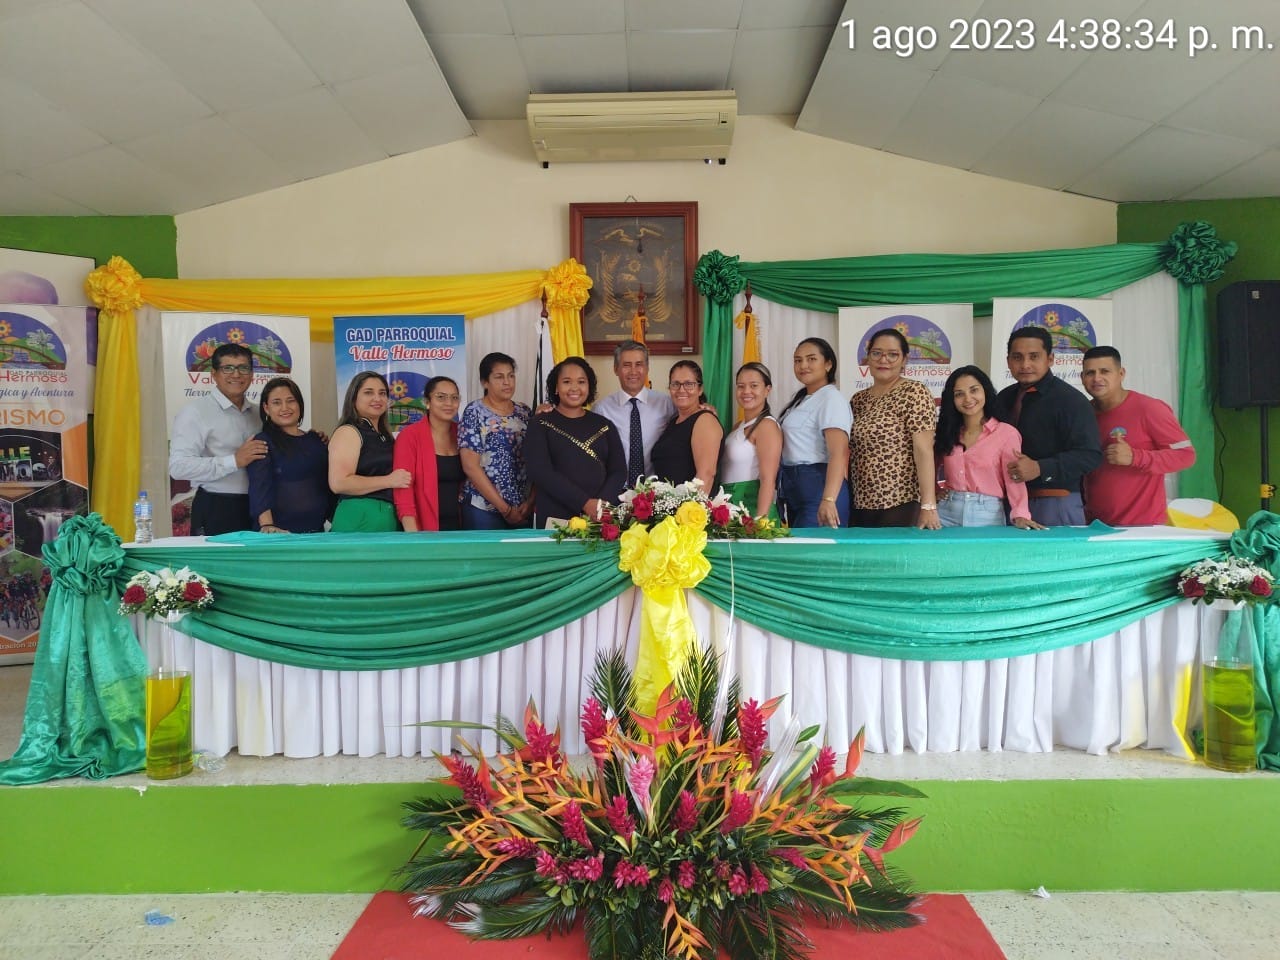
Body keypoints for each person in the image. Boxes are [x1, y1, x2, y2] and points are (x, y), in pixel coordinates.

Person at [992, 326, 1102, 526]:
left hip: (1055, 501)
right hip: (1007, 503)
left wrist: (1040, 468)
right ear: (1008, 361)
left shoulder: (1070, 400)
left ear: (1050, 359)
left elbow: (1090, 455)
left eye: (1034, 357)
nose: (1025, 364)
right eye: (1017, 357)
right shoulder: (1003, 398)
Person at [1081, 346, 1195, 526]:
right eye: (1090, 373)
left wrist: (1136, 457)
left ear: (1121, 374)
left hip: (1142, 527)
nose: (1097, 378)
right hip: (1094, 526)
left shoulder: (1149, 409)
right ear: (1082, 377)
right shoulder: (1083, 413)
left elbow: (1186, 455)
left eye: (1105, 371)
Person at [169, 342, 267, 535]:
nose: (236, 374)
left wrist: (312, 439)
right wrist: (234, 461)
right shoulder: (195, 412)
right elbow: (178, 467)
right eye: (227, 368)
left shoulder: (259, 414)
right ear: (214, 374)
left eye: (243, 368)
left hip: (258, 507)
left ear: (252, 374)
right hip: (216, 506)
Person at [848, 328, 941, 529]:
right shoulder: (858, 400)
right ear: (868, 357)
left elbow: (924, 450)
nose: (884, 360)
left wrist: (928, 505)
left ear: (904, 360)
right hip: (861, 503)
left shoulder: (915, 392)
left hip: (901, 502)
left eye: (892, 354)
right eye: (877, 353)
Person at [933, 366, 1042, 530]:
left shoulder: (1006, 433)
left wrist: (1020, 514)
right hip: (946, 513)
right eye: (959, 394)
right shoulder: (947, 432)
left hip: (987, 514)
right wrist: (934, 490)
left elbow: (1014, 478)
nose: (968, 399)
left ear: (985, 391)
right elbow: (928, 464)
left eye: (974, 390)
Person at [524, 356, 626, 526]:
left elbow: (619, 471)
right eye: (566, 382)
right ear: (556, 388)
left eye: (581, 382)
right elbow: (540, 471)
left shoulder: (604, 425)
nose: (574, 388)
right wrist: (584, 503)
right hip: (555, 517)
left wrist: (600, 504)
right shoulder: (540, 423)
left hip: (600, 517)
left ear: (589, 386)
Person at [777, 337, 851, 528]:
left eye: (811, 359)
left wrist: (828, 499)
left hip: (820, 490)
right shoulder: (802, 400)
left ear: (828, 364)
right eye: (798, 360)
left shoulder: (831, 398)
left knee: (813, 546)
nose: (803, 365)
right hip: (796, 490)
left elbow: (839, 453)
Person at [247, 377, 332, 534]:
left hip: (317, 532)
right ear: (266, 408)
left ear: (299, 403)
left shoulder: (316, 440)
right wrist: (267, 525)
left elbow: (327, 485)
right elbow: (259, 486)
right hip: (278, 534)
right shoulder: (262, 442)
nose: (285, 408)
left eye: (290, 401)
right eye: (277, 402)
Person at [458, 352, 533, 530]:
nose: (507, 382)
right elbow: (470, 466)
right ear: (485, 382)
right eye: (499, 377)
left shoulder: (524, 411)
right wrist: (505, 509)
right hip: (483, 508)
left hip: (522, 508)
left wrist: (530, 502)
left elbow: (538, 458)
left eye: (511, 376)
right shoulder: (474, 412)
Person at [328, 372, 411, 532]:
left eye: (382, 393)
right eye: (368, 393)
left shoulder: (383, 435)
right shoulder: (349, 431)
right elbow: (339, 483)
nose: (377, 398)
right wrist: (389, 480)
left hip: (386, 516)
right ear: (353, 398)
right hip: (360, 516)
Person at [592, 340, 676, 486]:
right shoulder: (601, 409)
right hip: (616, 490)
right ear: (616, 369)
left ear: (647, 368)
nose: (633, 371)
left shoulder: (666, 404)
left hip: (657, 490)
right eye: (626, 365)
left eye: (639, 364)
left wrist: (703, 410)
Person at [393, 376, 464, 532]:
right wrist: (413, 535)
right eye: (441, 397)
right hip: (424, 530)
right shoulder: (410, 436)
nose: (449, 403)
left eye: (454, 398)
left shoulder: (463, 433)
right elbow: (403, 489)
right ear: (427, 402)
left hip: (463, 527)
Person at [719, 362, 781, 519]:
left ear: (767, 389)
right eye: (741, 386)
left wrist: (761, 520)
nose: (746, 391)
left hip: (751, 507)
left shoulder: (766, 426)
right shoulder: (738, 426)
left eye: (754, 386)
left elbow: (768, 480)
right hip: (730, 506)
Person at [649, 360, 723, 490]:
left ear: (700, 389)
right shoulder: (673, 421)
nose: (681, 390)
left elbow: (706, 476)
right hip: (667, 500)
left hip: (692, 502)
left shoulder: (705, 420)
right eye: (675, 384)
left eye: (689, 384)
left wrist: (691, 504)